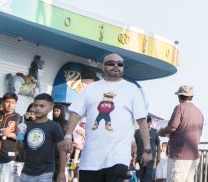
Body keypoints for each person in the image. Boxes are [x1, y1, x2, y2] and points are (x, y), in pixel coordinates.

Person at [62, 54, 152, 182]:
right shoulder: (91, 88)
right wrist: (67, 136)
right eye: (111, 63)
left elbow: (142, 121)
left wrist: (147, 149)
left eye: (120, 64)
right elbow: (75, 113)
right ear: (103, 67)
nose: (116, 66)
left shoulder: (132, 89)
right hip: (90, 160)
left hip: (118, 159)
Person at [158, 86, 204, 182]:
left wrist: (162, 132)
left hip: (180, 155)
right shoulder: (199, 112)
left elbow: (172, 127)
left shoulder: (179, 108)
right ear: (191, 96)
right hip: (194, 156)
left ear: (179, 96)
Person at [17, 93, 65, 182]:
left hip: (45, 173)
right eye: (35, 105)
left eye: (42, 106)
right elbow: (21, 149)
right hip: (26, 172)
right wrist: (19, 138)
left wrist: (62, 172)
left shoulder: (54, 126)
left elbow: (62, 150)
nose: (38, 108)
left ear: (50, 108)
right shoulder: (27, 125)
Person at [0, 92, 23, 182]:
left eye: (13, 102)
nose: (10, 105)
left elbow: (21, 137)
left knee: (4, 179)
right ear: (3, 102)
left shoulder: (19, 118)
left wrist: (9, 134)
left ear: (15, 103)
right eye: (7, 102)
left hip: (8, 154)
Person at [135, 116, 159, 182]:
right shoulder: (137, 132)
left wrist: (158, 157)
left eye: (147, 123)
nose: (145, 125)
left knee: (148, 177)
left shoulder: (155, 132)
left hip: (151, 158)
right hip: (140, 159)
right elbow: (135, 144)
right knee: (139, 176)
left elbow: (158, 144)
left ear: (150, 123)